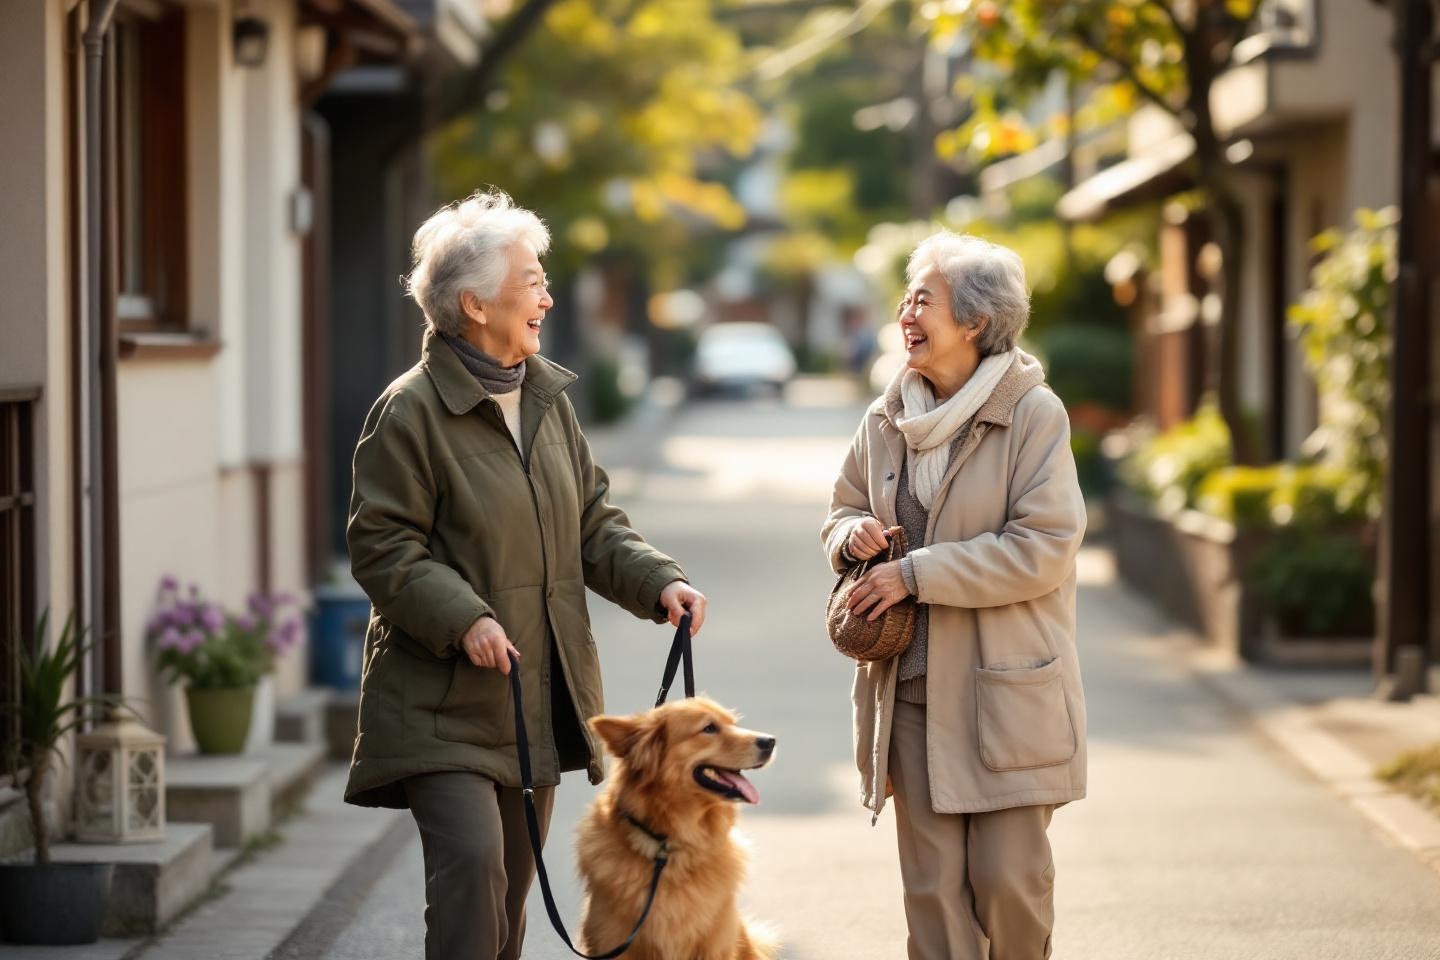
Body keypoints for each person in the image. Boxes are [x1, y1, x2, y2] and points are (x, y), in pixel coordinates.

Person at [343, 189, 708, 960]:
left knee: (509, 896)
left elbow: (593, 522)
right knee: (474, 871)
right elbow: (383, 545)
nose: (547, 298)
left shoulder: (546, 401)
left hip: (532, 698)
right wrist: (466, 617)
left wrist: (657, 582)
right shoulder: (409, 412)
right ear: (475, 304)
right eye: (531, 282)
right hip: (442, 703)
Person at [821, 231, 1087, 959]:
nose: (905, 313)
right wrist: (850, 537)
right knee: (932, 894)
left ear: (974, 322)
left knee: (1009, 882)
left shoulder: (1033, 413)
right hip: (908, 693)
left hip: (1005, 693)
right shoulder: (885, 417)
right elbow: (841, 508)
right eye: (906, 299)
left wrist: (914, 574)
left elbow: (1044, 546)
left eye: (924, 301)